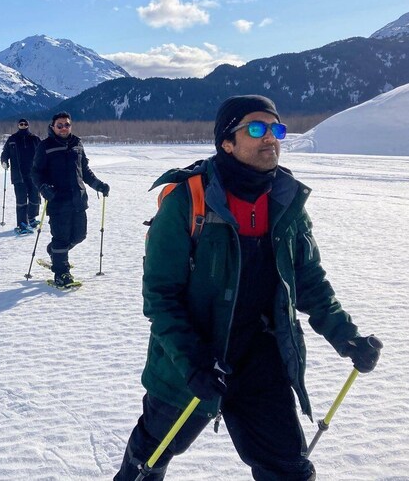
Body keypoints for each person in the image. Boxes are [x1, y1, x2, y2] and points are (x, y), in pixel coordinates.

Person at [114, 95, 382, 480]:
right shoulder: (187, 200)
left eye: (277, 129)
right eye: (256, 129)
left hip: (260, 355)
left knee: (288, 469)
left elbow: (308, 281)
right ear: (226, 141)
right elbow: (161, 296)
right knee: (149, 458)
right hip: (192, 360)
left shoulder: (286, 201)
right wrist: (193, 363)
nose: (270, 138)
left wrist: (347, 337)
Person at [31, 111, 109, 287]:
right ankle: (61, 273)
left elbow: (85, 171)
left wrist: (99, 185)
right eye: (60, 125)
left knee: (80, 235)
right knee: (61, 238)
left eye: (67, 124)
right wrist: (43, 188)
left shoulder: (77, 144)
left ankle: (54, 252)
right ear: (53, 127)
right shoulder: (45, 146)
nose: (64, 128)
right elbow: (36, 173)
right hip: (58, 200)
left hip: (78, 199)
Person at [0, 118, 41, 235]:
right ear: (18, 125)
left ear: (28, 125)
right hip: (18, 175)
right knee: (21, 200)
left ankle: (32, 218)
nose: (23, 125)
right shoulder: (12, 139)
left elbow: (43, 153)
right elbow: (4, 153)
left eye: (25, 124)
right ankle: (22, 224)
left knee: (35, 199)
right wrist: (4, 161)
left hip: (34, 174)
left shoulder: (35, 139)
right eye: (21, 124)